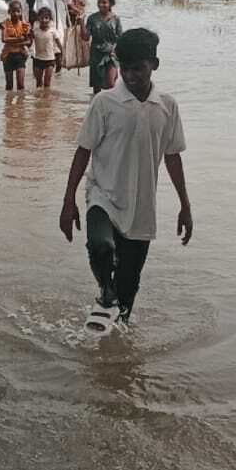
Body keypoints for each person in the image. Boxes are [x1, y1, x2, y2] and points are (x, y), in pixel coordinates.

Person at [59, 28, 192, 329]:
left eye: (138, 69)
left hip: (141, 207)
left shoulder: (167, 106)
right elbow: (83, 151)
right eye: (125, 68)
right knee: (101, 247)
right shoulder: (104, 103)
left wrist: (185, 205)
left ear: (154, 64)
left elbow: (173, 157)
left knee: (129, 289)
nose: (130, 76)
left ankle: (118, 338)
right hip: (103, 196)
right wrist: (69, 201)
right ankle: (105, 292)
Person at [83, 0, 122, 94]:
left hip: (111, 54)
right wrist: (81, 22)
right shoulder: (92, 18)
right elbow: (86, 38)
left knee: (110, 84)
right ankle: (96, 103)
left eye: (104, 2)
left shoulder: (116, 19)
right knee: (97, 87)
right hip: (96, 54)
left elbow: (120, 38)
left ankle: (111, 102)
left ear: (111, 4)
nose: (101, 5)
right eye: (99, 2)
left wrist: (116, 51)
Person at [0, 0, 32, 91]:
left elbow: (29, 41)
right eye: (13, 11)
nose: (16, 14)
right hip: (8, 56)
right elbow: (4, 39)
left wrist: (17, 42)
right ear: (9, 12)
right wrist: (19, 39)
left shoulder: (24, 25)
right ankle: (9, 100)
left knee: (21, 85)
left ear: (21, 12)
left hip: (20, 55)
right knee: (9, 85)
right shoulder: (5, 24)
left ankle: (21, 100)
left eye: (18, 11)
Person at [32, 6, 62, 89]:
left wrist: (63, 54)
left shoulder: (53, 31)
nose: (44, 20)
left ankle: (47, 96)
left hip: (50, 60)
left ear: (50, 19)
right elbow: (30, 43)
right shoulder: (35, 31)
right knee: (38, 83)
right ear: (38, 19)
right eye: (41, 18)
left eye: (46, 18)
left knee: (47, 83)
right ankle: (39, 97)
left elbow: (59, 44)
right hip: (38, 59)